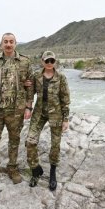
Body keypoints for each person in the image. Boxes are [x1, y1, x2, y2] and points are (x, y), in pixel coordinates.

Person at [0, 33, 33, 190]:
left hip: (16, 110)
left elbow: (30, 85)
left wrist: (29, 106)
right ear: (1, 44)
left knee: (14, 141)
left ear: (16, 43)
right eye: (5, 42)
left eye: (11, 42)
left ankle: (12, 168)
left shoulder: (25, 61)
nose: (8, 44)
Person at [25, 50, 70, 191]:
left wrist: (66, 118)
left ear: (55, 62)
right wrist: (28, 108)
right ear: (42, 62)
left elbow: (65, 99)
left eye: (52, 61)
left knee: (55, 145)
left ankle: (52, 173)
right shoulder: (36, 76)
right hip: (39, 113)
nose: (49, 63)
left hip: (56, 114)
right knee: (30, 142)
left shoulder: (61, 77)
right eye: (47, 61)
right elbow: (29, 94)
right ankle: (35, 170)